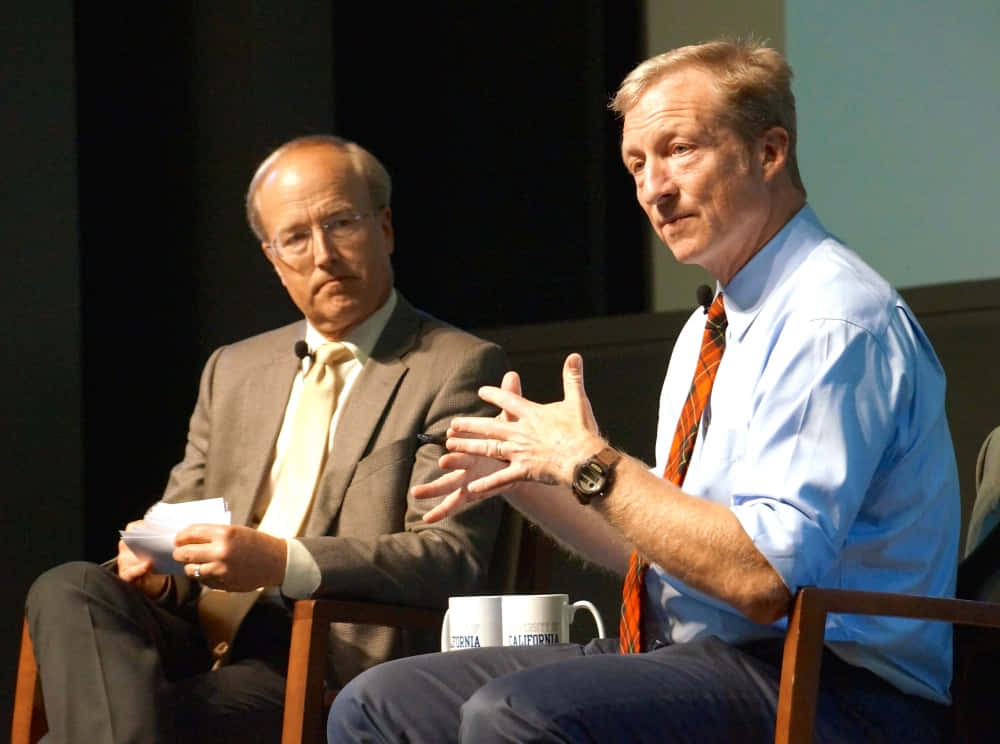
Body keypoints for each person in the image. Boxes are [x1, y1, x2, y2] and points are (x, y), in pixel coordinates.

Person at [326, 39, 959, 743]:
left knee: (511, 716)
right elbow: (658, 545)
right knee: (378, 702)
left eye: (680, 149)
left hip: (835, 688)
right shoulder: (711, 325)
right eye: (636, 163)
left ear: (770, 151)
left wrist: (589, 465)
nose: (654, 188)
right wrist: (527, 475)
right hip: (699, 655)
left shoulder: (832, 319)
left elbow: (760, 579)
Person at [25, 135, 508, 744]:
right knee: (69, 585)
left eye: (341, 223)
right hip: (192, 637)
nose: (324, 255)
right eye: (297, 239)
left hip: (317, 650)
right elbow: (176, 522)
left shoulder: (456, 366)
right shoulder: (233, 368)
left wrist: (281, 562)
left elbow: (449, 556)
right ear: (273, 260)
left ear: (384, 228)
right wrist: (155, 563)